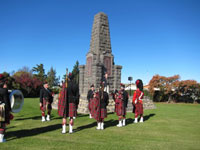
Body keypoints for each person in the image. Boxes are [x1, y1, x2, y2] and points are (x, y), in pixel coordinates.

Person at [0, 74, 12, 143]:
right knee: (2, 124)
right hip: (1, 108)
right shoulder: (4, 90)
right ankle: (1, 139)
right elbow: (7, 102)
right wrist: (9, 111)